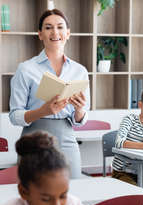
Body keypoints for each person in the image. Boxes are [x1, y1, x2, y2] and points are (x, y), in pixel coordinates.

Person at [9, 9, 90, 179]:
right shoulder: (26, 69)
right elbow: (14, 115)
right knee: (34, 194)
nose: (55, 32)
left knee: (74, 191)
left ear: (68, 33)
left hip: (67, 138)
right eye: (48, 28)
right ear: (40, 34)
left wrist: (80, 110)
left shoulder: (79, 71)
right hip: (33, 139)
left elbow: (80, 120)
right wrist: (43, 111)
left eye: (60, 27)